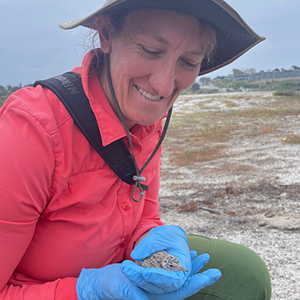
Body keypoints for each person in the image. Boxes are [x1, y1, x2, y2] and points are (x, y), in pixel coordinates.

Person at [0, 0, 271, 299]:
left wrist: (153, 237)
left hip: (122, 272)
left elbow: (143, 213)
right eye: (151, 51)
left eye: (189, 62)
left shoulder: (148, 119)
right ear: (106, 34)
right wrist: (86, 292)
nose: (164, 86)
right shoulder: (32, 130)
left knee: (245, 272)